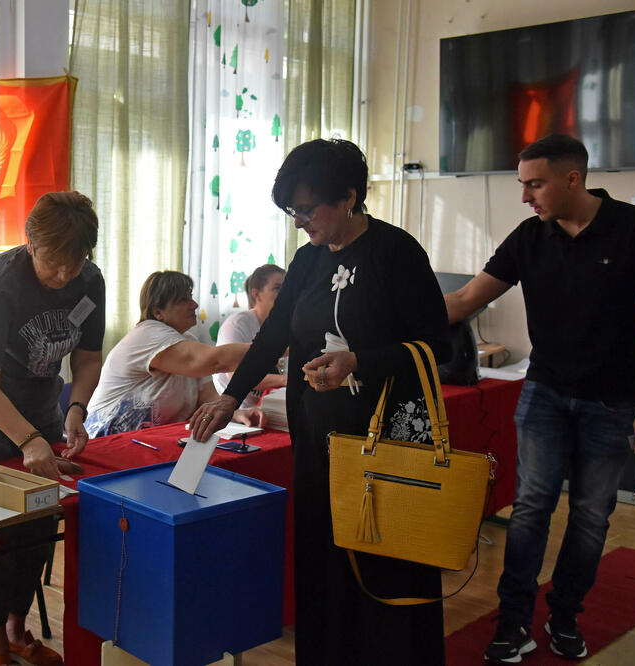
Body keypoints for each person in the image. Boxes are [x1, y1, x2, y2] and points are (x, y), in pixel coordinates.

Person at [189, 138, 450, 664]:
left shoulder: (396, 252)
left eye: (308, 210)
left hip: (385, 440)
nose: (300, 223)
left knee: (384, 560)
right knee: (324, 557)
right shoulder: (307, 261)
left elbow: (436, 345)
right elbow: (272, 337)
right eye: (293, 212)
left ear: (349, 197)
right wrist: (230, 397)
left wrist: (359, 361)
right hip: (319, 438)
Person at [443, 134, 635, 663]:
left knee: (590, 515)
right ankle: (513, 622)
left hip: (614, 402)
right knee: (532, 508)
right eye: (522, 184)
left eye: (534, 185)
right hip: (544, 393)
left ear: (572, 178)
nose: (524, 197)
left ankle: (565, 616)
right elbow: (465, 299)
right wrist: (386, 317)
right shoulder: (529, 236)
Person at [0, 191, 104, 666]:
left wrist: (76, 408)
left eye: (75, 262)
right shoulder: (0, 281)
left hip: (37, 399)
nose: (65, 274)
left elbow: (88, 359)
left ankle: (15, 628)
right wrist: (29, 440)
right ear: (30, 244)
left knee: (41, 510)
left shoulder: (90, 280)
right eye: (54, 262)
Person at [85, 270, 264, 437]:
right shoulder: (149, 334)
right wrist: (273, 347)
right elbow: (215, 361)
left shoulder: (188, 340)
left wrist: (235, 413)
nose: (194, 305)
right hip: (106, 440)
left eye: (191, 297)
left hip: (151, 440)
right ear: (158, 312)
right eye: (183, 300)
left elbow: (207, 398)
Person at [213, 264, 288, 408]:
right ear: (256, 294)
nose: (285, 294)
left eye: (287, 288)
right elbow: (236, 375)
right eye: (277, 288)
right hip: (238, 410)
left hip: (275, 406)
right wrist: (285, 380)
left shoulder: (289, 325)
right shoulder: (237, 324)